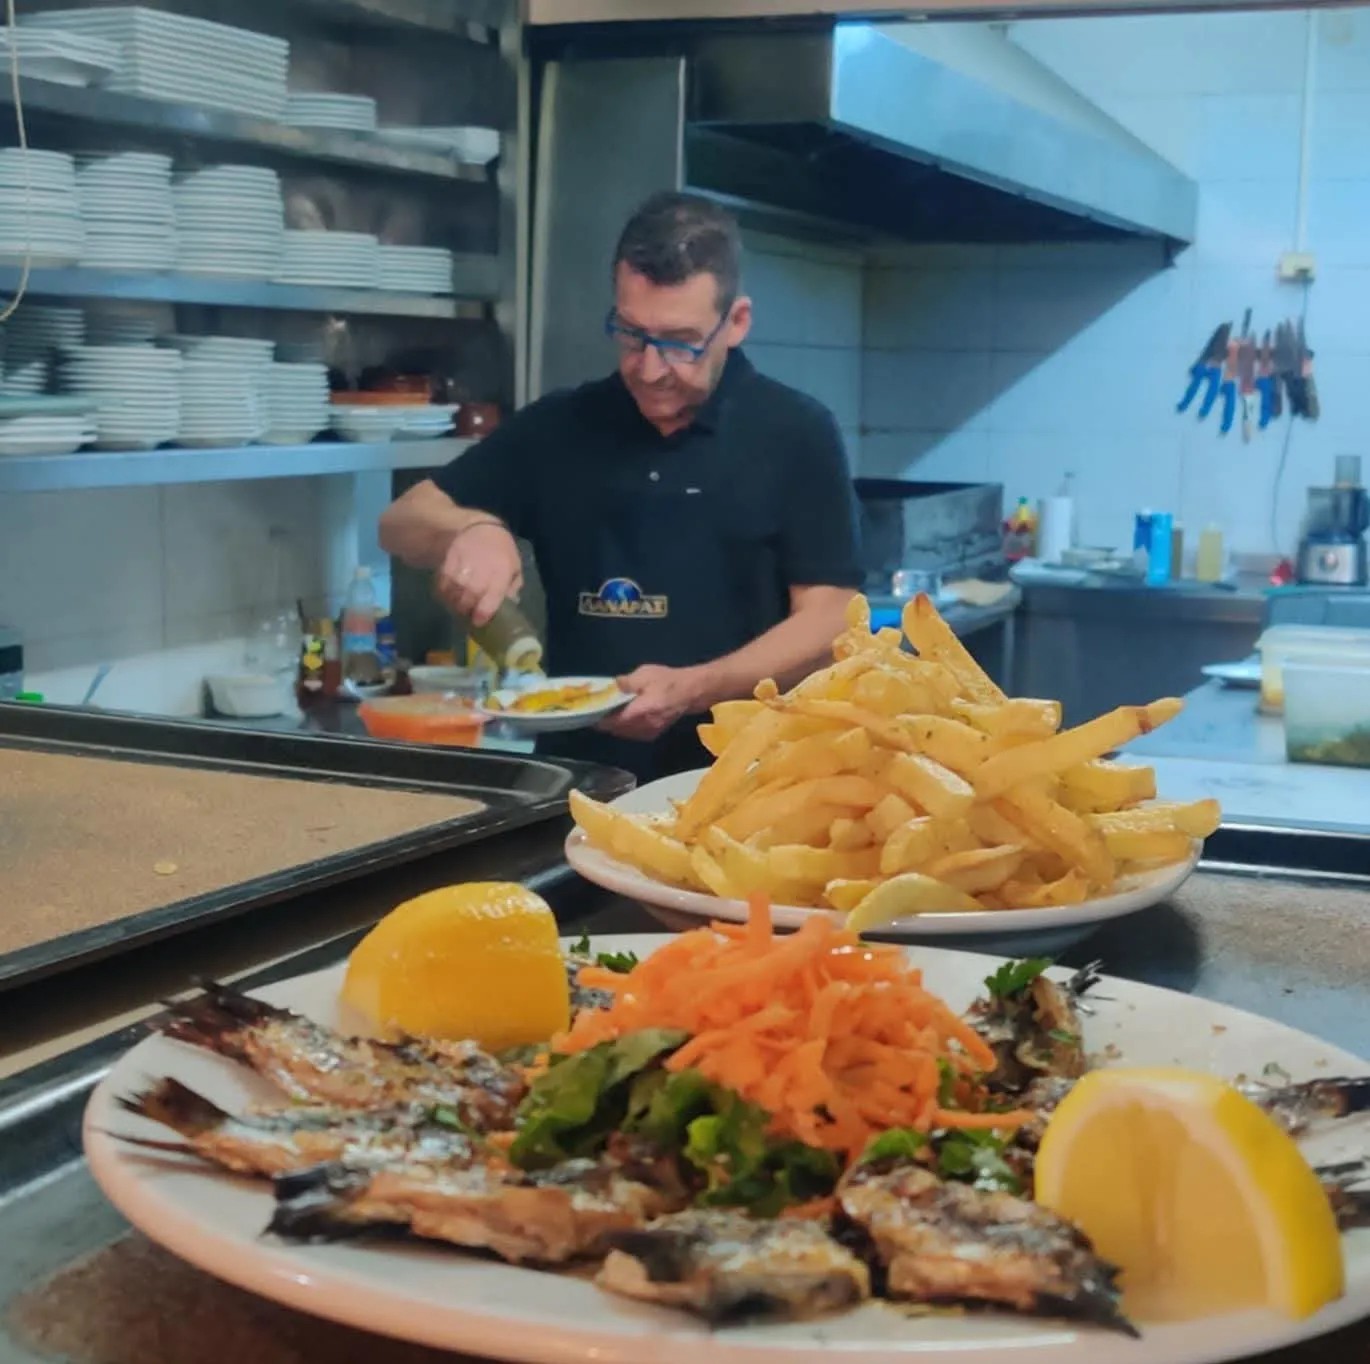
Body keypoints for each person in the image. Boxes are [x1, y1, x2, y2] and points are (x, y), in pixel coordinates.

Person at [379, 191, 863, 781]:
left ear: (736, 323)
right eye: (632, 335)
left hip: (747, 785)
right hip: (579, 783)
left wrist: (696, 687)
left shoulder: (794, 431)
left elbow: (832, 618)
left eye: (680, 342)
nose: (652, 369)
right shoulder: (562, 425)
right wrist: (471, 528)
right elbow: (401, 522)